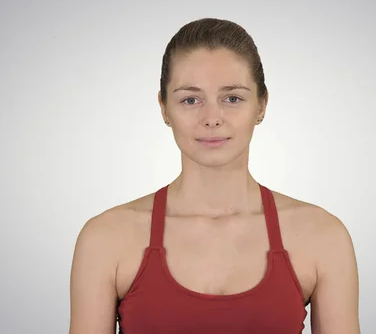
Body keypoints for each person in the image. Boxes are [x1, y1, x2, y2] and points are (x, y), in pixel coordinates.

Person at [69, 18, 360, 334]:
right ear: (164, 108)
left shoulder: (323, 237)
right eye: (190, 99)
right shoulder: (105, 239)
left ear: (261, 104)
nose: (211, 118)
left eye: (232, 98)